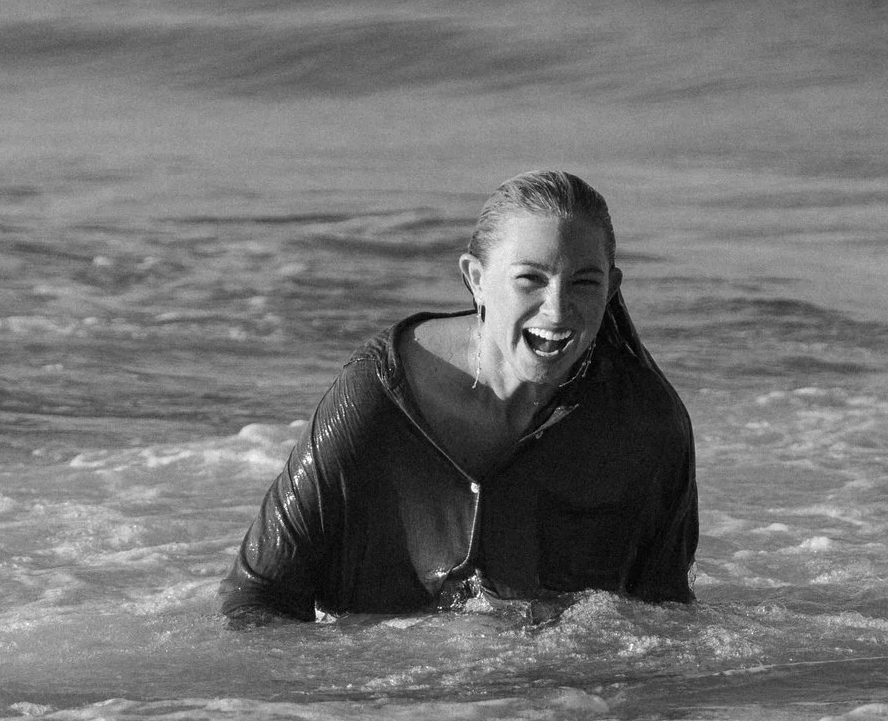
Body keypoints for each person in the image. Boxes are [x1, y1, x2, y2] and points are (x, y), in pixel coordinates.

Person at [220, 171, 698, 623]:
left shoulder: (645, 428)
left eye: (584, 282)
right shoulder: (379, 396)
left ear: (611, 288)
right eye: (530, 278)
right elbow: (254, 599)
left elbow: (660, 619)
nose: (557, 309)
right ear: (475, 278)